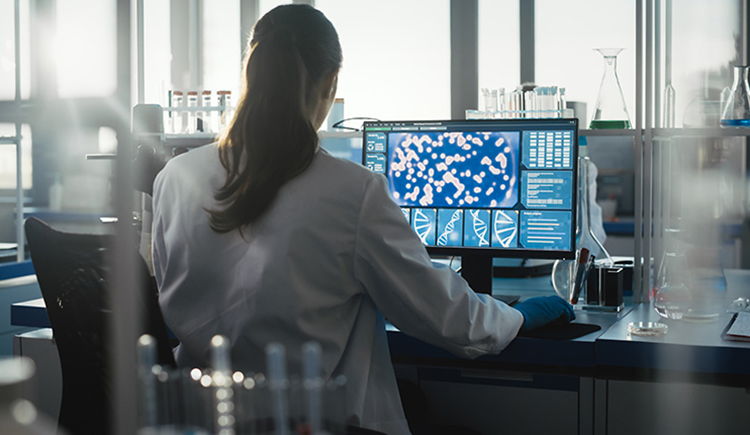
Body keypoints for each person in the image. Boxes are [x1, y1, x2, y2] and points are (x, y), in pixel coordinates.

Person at [151, 4, 574, 434]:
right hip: (318, 424)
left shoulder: (176, 177)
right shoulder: (352, 191)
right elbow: (450, 321)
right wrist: (518, 317)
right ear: (331, 83)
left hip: (205, 421)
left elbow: (172, 296)